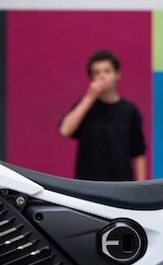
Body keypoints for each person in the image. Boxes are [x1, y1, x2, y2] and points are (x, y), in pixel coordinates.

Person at [57, 49, 148, 181]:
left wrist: (141, 186)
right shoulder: (85, 106)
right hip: (88, 184)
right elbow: (65, 130)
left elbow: (138, 151)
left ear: (117, 74)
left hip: (121, 184)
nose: (102, 76)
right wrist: (90, 97)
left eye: (107, 71)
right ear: (91, 78)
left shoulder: (129, 111)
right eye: (96, 72)